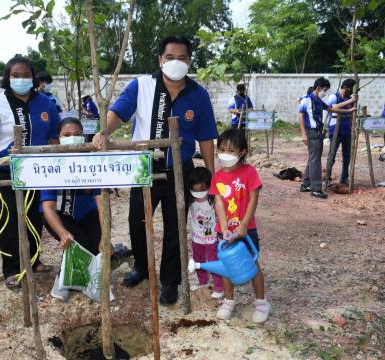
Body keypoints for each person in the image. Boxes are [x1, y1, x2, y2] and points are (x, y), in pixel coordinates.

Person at [92, 35, 218, 305]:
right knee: (138, 221)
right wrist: (103, 131)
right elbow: (118, 113)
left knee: (175, 225)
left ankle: (170, 281)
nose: (176, 62)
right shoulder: (141, 86)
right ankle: (141, 266)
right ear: (160, 60)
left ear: (190, 61)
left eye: (182, 58)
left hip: (179, 170)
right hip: (143, 167)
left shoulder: (198, 95)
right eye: (170, 57)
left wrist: (212, 175)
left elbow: (206, 138)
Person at [0, 55, 60, 289]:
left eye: (25, 75)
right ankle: (11, 270)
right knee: (10, 218)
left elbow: (54, 137)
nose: (21, 79)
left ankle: (34, 260)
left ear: (33, 78)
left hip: (37, 169)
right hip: (5, 170)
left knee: (34, 215)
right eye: (15, 75)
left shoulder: (46, 103)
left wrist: (57, 164)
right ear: (7, 78)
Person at [209, 128, 270, 323]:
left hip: (246, 229)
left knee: (252, 264)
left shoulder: (249, 172)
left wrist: (243, 224)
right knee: (228, 265)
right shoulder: (217, 176)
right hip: (225, 231)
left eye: (230, 150)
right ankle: (228, 301)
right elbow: (218, 202)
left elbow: (253, 199)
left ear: (242, 152)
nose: (224, 154)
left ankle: (261, 302)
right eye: (221, 149)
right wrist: (224, 228)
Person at [41, 117, 104, 300]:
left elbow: (101, 203)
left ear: (84, 136)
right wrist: (62, 233)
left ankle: (86, 282)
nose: (72, 138)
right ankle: (62, 283)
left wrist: (106, 236)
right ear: (58, 137)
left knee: (98, 248)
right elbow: (48, 207)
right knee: (78, 242)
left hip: (86, 213)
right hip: (59, 215)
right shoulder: (51, 164)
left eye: (77, 134)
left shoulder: (91, 161)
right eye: (66, 135)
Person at [298, 77, 355, 199]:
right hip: (311, 132)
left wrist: (348, 110)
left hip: (318, 132)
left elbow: (330, 108)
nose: (326, 93)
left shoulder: (318, 100)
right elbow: (301, 116)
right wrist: (303, 134)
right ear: (318, 88)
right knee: (315, 160)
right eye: (325, 90)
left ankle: (306, 184)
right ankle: (316, 188)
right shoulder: (306, 100)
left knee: (313, 158)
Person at [187, 167, 224, 299]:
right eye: (195, 191)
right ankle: (203, 282)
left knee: (213, 261)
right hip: (196, 237)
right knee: (198, 260)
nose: (199, 194)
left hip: (211, 238)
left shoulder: (213, 200)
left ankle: (219, 286)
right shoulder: (190, 199)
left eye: (202, 190)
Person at [325, 79, 358, 186]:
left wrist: (354, 129)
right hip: (335, 130)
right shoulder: (333, 97)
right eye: (350, 89)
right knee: (332, 155)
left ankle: (344, 178)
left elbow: (352, 116)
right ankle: (327, 178)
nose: (351, 92)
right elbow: (333, 108)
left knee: (347, 156)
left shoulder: (350, 99)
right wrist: (351, 101)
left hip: (347, 130)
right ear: (344, 87)